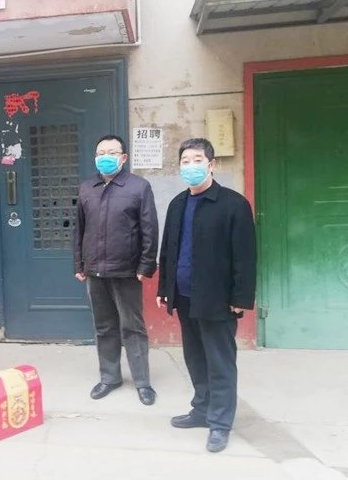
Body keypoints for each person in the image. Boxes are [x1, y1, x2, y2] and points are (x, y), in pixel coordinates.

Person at [157, 138, 256, 452]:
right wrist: (164, 289)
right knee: (195, 358)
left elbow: (245, 256)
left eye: (197, 160)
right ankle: (201, 410)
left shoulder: (233, 204)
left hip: (217, 299)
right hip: (185, 297)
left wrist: (240, 298)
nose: (191, 166)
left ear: (211, 165)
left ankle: (220, 423)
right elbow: (168, 249)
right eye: (185, 161)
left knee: (220, 362)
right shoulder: (177, 204)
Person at [74, 134, 159, 405]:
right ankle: (109, 377)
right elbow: (79, 230)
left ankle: (142, 382)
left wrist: (146, 265)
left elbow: (149, 229)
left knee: (133, 327)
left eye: (112, 152)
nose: (106, 157)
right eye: (101, 153)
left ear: (123, 158)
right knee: (104, 327)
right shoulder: (87, 188)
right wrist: (79, 264)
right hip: (95, 271)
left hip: (127, 271)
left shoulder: (139, 187)